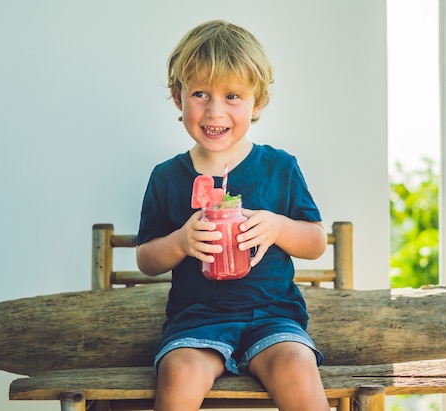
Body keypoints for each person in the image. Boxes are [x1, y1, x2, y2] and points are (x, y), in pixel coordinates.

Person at [136, 20, 330, 411]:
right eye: (200, 94)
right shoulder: (167, 177)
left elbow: (315, 242)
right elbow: (146, 259)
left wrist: (277, 227)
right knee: (178, 375)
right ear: (178, 97)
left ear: (257, 103)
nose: (215, 111)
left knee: (297, 366)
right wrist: (180, 242)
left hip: (274, 319)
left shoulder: (280, 167)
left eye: (233, 96)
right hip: (196, 323)